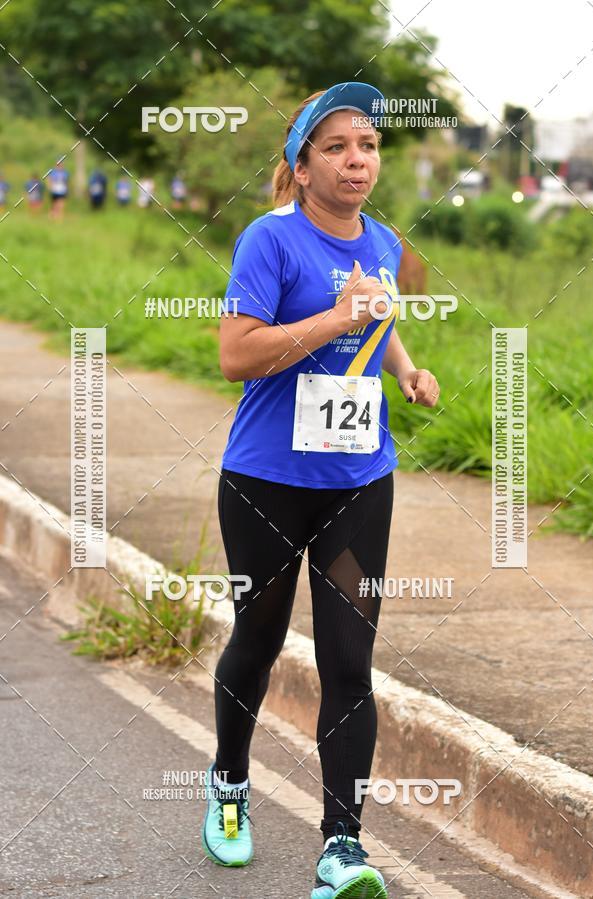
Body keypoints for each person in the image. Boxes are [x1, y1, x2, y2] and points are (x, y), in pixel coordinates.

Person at [202, 82, 439, 898]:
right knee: (259, 641)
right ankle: (230, 785)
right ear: (301, 167)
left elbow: (382, 310)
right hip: (265, 479)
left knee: (349, 661)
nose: (356, 160)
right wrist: (335, 320)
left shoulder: (383, 240)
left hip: (358, 480)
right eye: (335, 147)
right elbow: (236, 354)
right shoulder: (267, 241)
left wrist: (407, 368)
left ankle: (343, 848)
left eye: (367, 145)